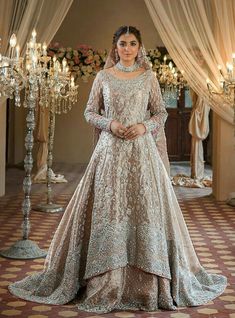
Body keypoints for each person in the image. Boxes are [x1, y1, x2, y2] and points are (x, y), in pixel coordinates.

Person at [9, 25, 227, 314]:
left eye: (132, 43)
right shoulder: (103, 76)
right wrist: (110, 124)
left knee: (143, 208)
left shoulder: (149, 77)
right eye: (122, 43)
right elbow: (90, 112)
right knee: (109, 208)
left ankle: (150, 280)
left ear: (139, 47)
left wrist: (143, 126)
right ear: (115, 47)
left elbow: (160, 112)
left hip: (142, 154)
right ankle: (103, 279)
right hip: (110, 153)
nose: (127, 48)